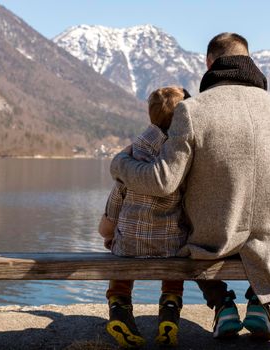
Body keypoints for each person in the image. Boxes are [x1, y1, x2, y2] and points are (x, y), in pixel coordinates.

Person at [110, 33, 270, 340]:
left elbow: (163, 181)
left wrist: (119, 165)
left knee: (187, 234)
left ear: (209, 63)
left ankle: (222, 304)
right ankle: (258, 304)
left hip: (215, 239)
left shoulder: (192, 110)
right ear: (249, 61)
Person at [99, 86, 191, 348]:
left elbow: (118, 197)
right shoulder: (180, 156)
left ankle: (119, 306)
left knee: (121, 253)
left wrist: (109, 233)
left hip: (129, 246)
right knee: (177, 256)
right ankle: (170, 310)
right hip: (171, 246)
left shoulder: (134, 155)